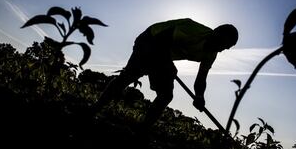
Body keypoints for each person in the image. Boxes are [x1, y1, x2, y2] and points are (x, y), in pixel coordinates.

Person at [94, 18, 238, 128]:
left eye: (226, 47)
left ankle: (142, 129)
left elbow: (201, 77)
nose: (221, 49)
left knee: (166, 95)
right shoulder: (193, 30)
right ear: (215, 33)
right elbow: (161, 41)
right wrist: (168, 66)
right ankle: (94, 109)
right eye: (222, 43)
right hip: (150, 39)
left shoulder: (211, 54)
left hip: (163, 52)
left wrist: (199, 95)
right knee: (129, 76)